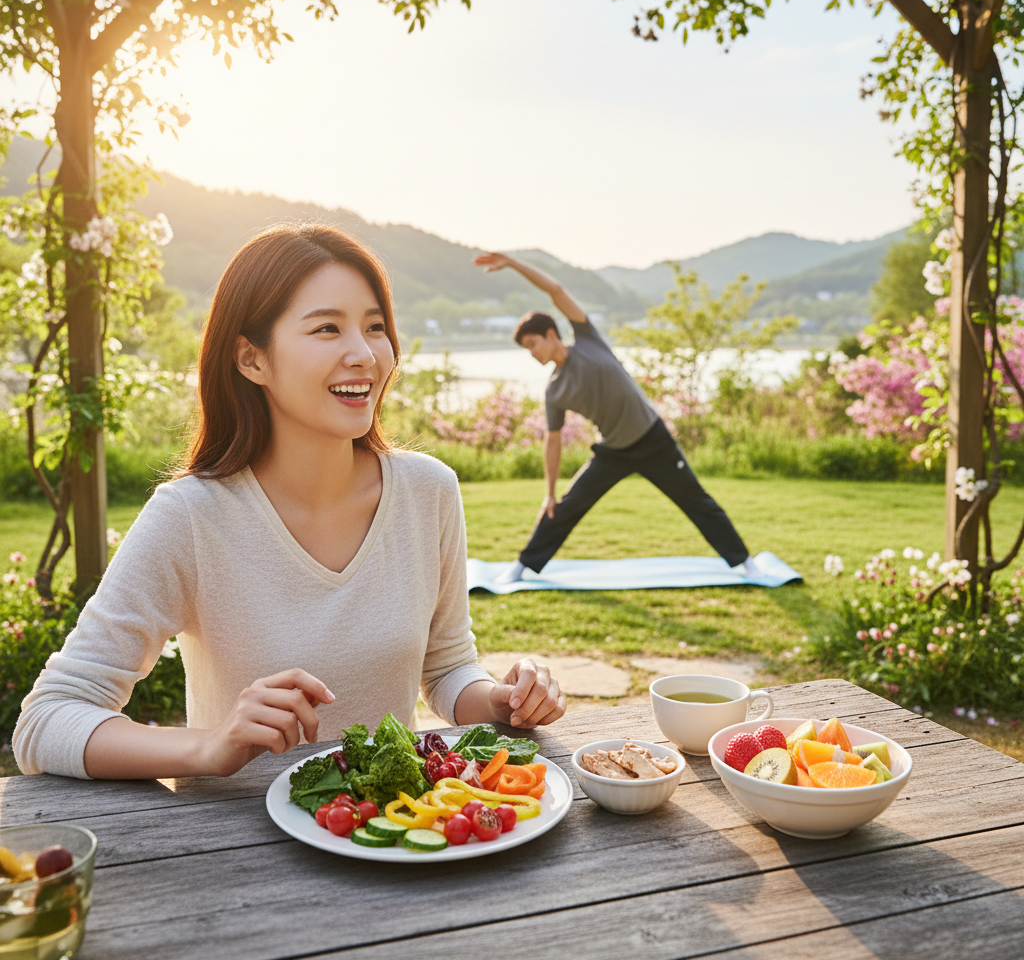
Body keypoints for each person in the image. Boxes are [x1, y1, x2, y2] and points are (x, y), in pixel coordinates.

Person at [14, 225, 565, 781]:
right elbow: (46, 720)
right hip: (234, 850)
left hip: (388, 839)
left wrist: (502, 701)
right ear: (251, 359)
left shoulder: (429, 492)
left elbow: (446, 668)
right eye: (328, 328)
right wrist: (208, 747)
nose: (365, 354)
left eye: (375, 327)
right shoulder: (191, 516)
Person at [473, 251, 764, 586]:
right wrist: (549, 492)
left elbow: (554, 289)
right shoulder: (555, 390)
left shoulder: (588, 340)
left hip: (653, 439)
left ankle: (745, 562)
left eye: (533, 343)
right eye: (526, 348)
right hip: (613, 451)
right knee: (565, 506)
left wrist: (512, 263)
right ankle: (523, 565)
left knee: (697, 501)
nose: (533, 352)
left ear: (552, 334)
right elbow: (552, 441)